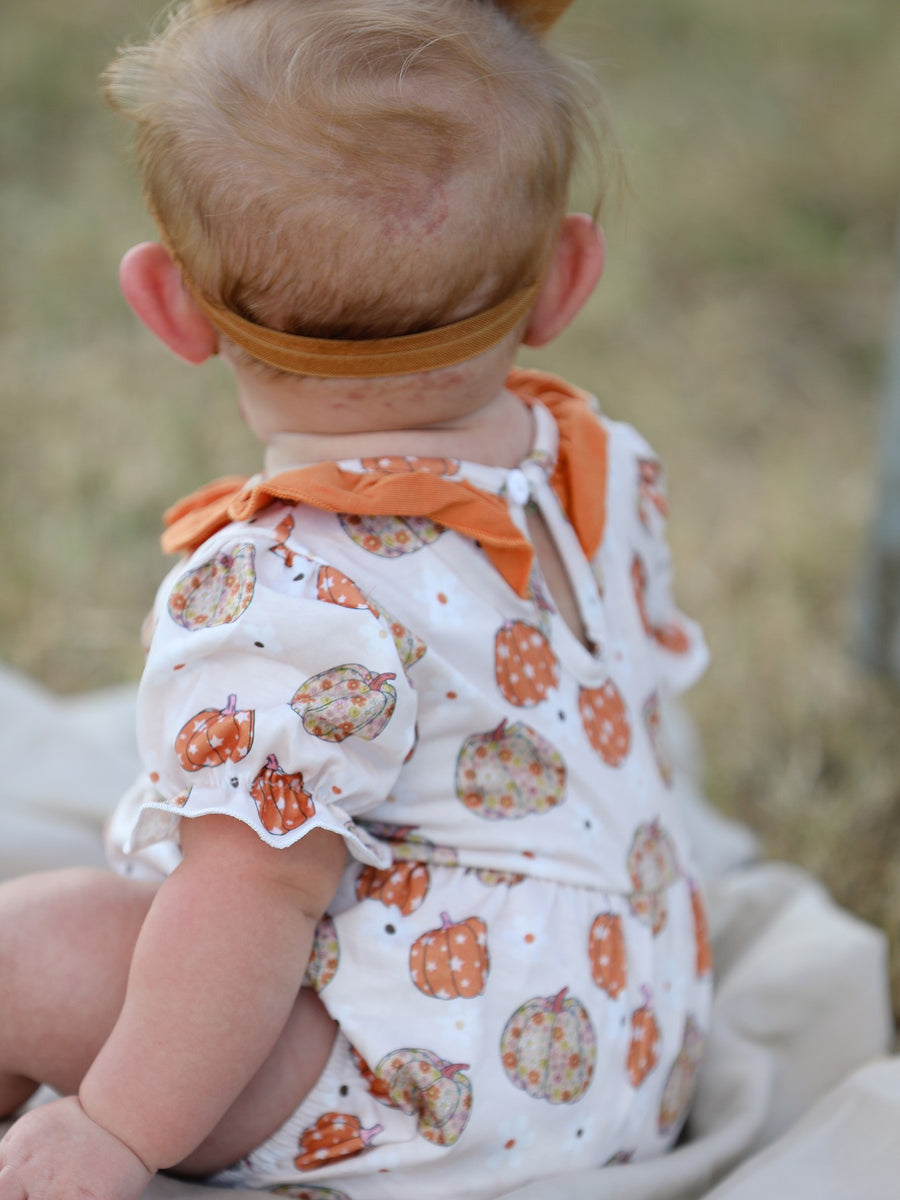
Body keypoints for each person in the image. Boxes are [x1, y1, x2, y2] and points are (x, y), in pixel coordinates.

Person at [0, 0, 713, 1196]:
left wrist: (117, 1132)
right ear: (567, 279)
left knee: (28, 947)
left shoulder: (285, 588)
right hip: (632, 1051)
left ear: (170, 307)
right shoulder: (594, 464)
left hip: (437, 1109)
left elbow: (255, 896)